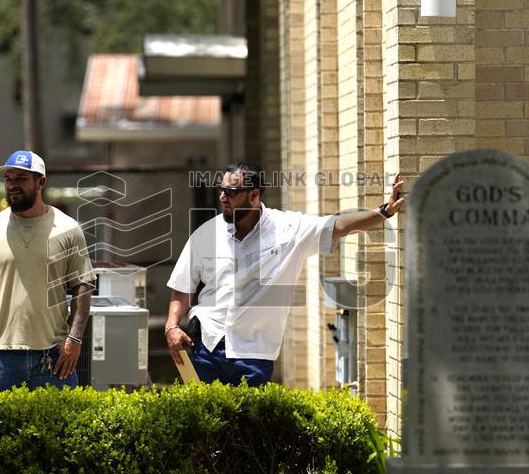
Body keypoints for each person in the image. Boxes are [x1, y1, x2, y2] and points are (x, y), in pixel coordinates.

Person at [165, 162, 405, 387]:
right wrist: (171, 326)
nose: (222, 197)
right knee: (205, 426)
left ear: (254, 195)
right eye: (222, 190)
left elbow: (337, 225)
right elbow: (184, 285)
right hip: (205, 346)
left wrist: (384, 212)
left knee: (248, 427)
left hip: (253, 353)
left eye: (231, 191)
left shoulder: (288, 230)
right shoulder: (207, 233)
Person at [0, 150, 95, 392]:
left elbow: (83, 286)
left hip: (54, 358)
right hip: (0, 358)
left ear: (41, 182)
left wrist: (74, 340)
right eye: (9, 179)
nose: (12, 185)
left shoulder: (68, 229)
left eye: (21, 179)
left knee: (60, 430)